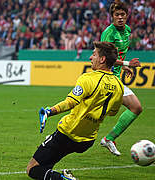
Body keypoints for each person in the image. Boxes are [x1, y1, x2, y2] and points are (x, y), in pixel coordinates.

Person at [27, 41, 124, 180]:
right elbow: (113, 112)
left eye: (94, 54)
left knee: (33, 169)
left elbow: (71, 102)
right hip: (87, 140)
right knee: (47, 166)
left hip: (68, 133)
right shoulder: (119, 86)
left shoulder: (88, 78)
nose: (91, 57)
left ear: (102, 59)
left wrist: (50, 111)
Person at [100, 0, 142, 156]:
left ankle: (109, 139)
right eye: (116, 15)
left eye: (122, 14)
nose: (120, 17)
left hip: (115, 77)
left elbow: (117, 55)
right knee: (95, 113)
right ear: (112, 16)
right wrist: (127, 63)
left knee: (136, 108)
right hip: (104, 77)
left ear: (127, 16)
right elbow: (105, 57)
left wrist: (123, 66)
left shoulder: (127, 30)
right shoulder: (108, 33)